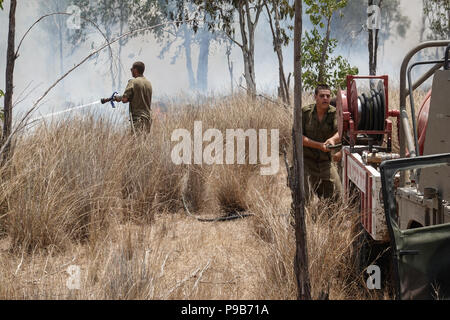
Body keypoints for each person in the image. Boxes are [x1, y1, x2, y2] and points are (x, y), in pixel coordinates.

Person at [302, 84, 342, 200]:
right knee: (303, 196)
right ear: (315, 97)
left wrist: (333, 139)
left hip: (325, 162)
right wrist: (319, 146)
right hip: (306, 161)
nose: (325, 98)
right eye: (322, 96)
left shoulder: (335, 113)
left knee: (337, 196)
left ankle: (328, 217)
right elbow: (298, 136)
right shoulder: (305, 113)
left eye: (328, 96)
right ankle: (298, 218)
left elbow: (340, 131)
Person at [114, 61, 153, 134]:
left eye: (131, 69)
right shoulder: (148, 83)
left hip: (138, 118)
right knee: (144, 142)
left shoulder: (133, 82)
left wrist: (118, 98)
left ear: (135, 70)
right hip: (148, 119)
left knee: (136, 142)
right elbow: (137, 97)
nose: (131, 71)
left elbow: (124, 99)